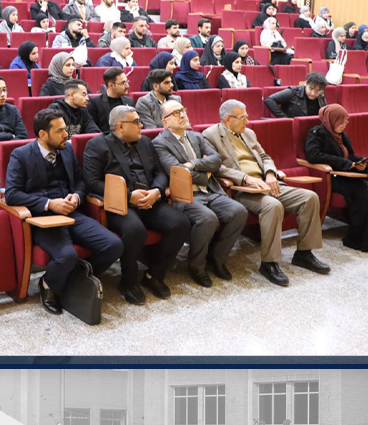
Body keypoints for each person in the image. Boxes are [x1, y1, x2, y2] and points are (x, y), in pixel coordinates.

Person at [4, 108, 123, 315]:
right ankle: (49, 283)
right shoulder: (21, 155)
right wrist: (49, 203)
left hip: (72, 213)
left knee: (114, 245)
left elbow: (79, 181)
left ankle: (76, 277)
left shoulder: (66, 150)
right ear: (43, 134)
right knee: (67, 255)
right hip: (43, 219)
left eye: (65, 129)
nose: (66, 135)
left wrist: (76, 196)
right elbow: (12, 194)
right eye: (60, 131)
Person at [203, 100, 330, 286]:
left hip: (267, 182)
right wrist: (246, 178)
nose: (247, 121)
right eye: (243, 117)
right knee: (273, 206)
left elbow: (264, 157)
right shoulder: (210, 135)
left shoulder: (249, 133)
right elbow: (216, 167)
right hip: (242, 189)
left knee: (309, 198)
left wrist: (270, 174)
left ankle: (304, 253)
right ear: (228, 119)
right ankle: (269, 263)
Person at [83, 106, 191, 303]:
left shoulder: (145, 142)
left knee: (181, 223)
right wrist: (128, 196)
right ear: (120, 126)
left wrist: (156, 191)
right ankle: (128, 282)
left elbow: (159, 172)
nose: (141, 125)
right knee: (135, 230)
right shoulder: (97, 145)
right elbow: (92, 182)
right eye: (136, 122)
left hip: (149, 199)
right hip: (120, 204)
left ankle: (154, 274)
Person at [153, 99, 248, 287]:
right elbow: (177, 172)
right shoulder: (159, 143)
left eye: (183, 110)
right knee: (207, 218)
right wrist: (205, 174)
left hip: (211, 191)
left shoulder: (196, 136)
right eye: (176, 113)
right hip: (186, 195)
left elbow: (216, 160)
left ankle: (216, 258)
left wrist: (193, 164)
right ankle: (196, 266)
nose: (182, 114)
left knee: (239, 212)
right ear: (165, 121)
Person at [305, 104, 368, 258]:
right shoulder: (316, 133)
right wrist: (346, 164)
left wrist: (361, 162)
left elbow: (351, 155)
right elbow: (314, 156)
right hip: (334, 176)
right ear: (331, 120)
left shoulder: (342, 135)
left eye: (346, 121)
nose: (344, 125)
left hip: (349, 172)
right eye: (340, 122)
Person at [87, 67, 135, 133]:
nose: (127, 86)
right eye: (123, 83)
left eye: (127, 82)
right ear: (111, 85)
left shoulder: (129, 101)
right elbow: (93, 130)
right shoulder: (95, 103)